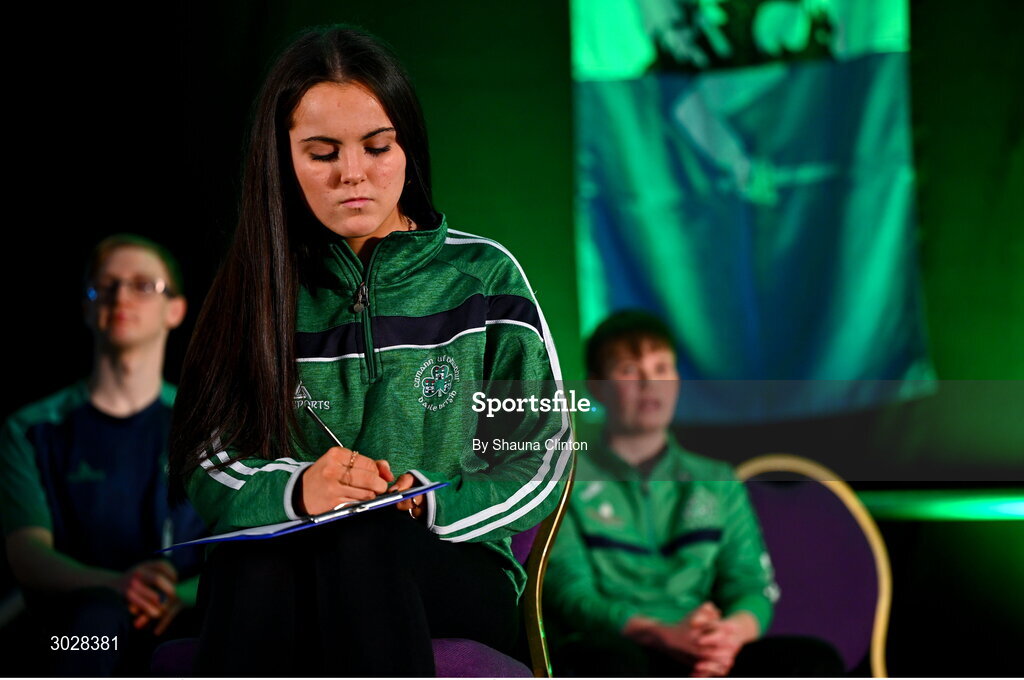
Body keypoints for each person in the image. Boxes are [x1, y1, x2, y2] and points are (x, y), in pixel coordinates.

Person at [168, 25, 572, 676]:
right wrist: (301, 490)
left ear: (406, 146)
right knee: (252, 562)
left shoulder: (486, 278)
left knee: (366, 540)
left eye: (376, 147)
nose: (352, 174)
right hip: (289, 559)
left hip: (449, 564)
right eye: (322, 153)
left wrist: (426, 502)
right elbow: (206, 454)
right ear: (282, 158)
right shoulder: (253, 289)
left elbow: (543, 454)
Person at [544, 310, 843, 677]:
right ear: (596, 386)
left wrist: (727, 637)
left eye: (661, 368)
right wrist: (659, 633)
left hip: (703, 642)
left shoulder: (716, 478)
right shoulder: (564, 478)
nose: (649, 384)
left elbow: (751, 584)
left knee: (813, 660)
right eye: (628, 370)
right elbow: (571, 596)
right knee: (607, 663)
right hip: (618, 645)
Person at [0, 234, 206, 676]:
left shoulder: (206, 428)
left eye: (143, 285)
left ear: (176, 310)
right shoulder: (33, 429)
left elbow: (245, 543)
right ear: (87, 307)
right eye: (106, 285)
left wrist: (183, 595)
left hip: (184, 615)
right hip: (75, 630)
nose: (121, 296)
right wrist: (118, 584)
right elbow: (27, 554)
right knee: (94, 627)